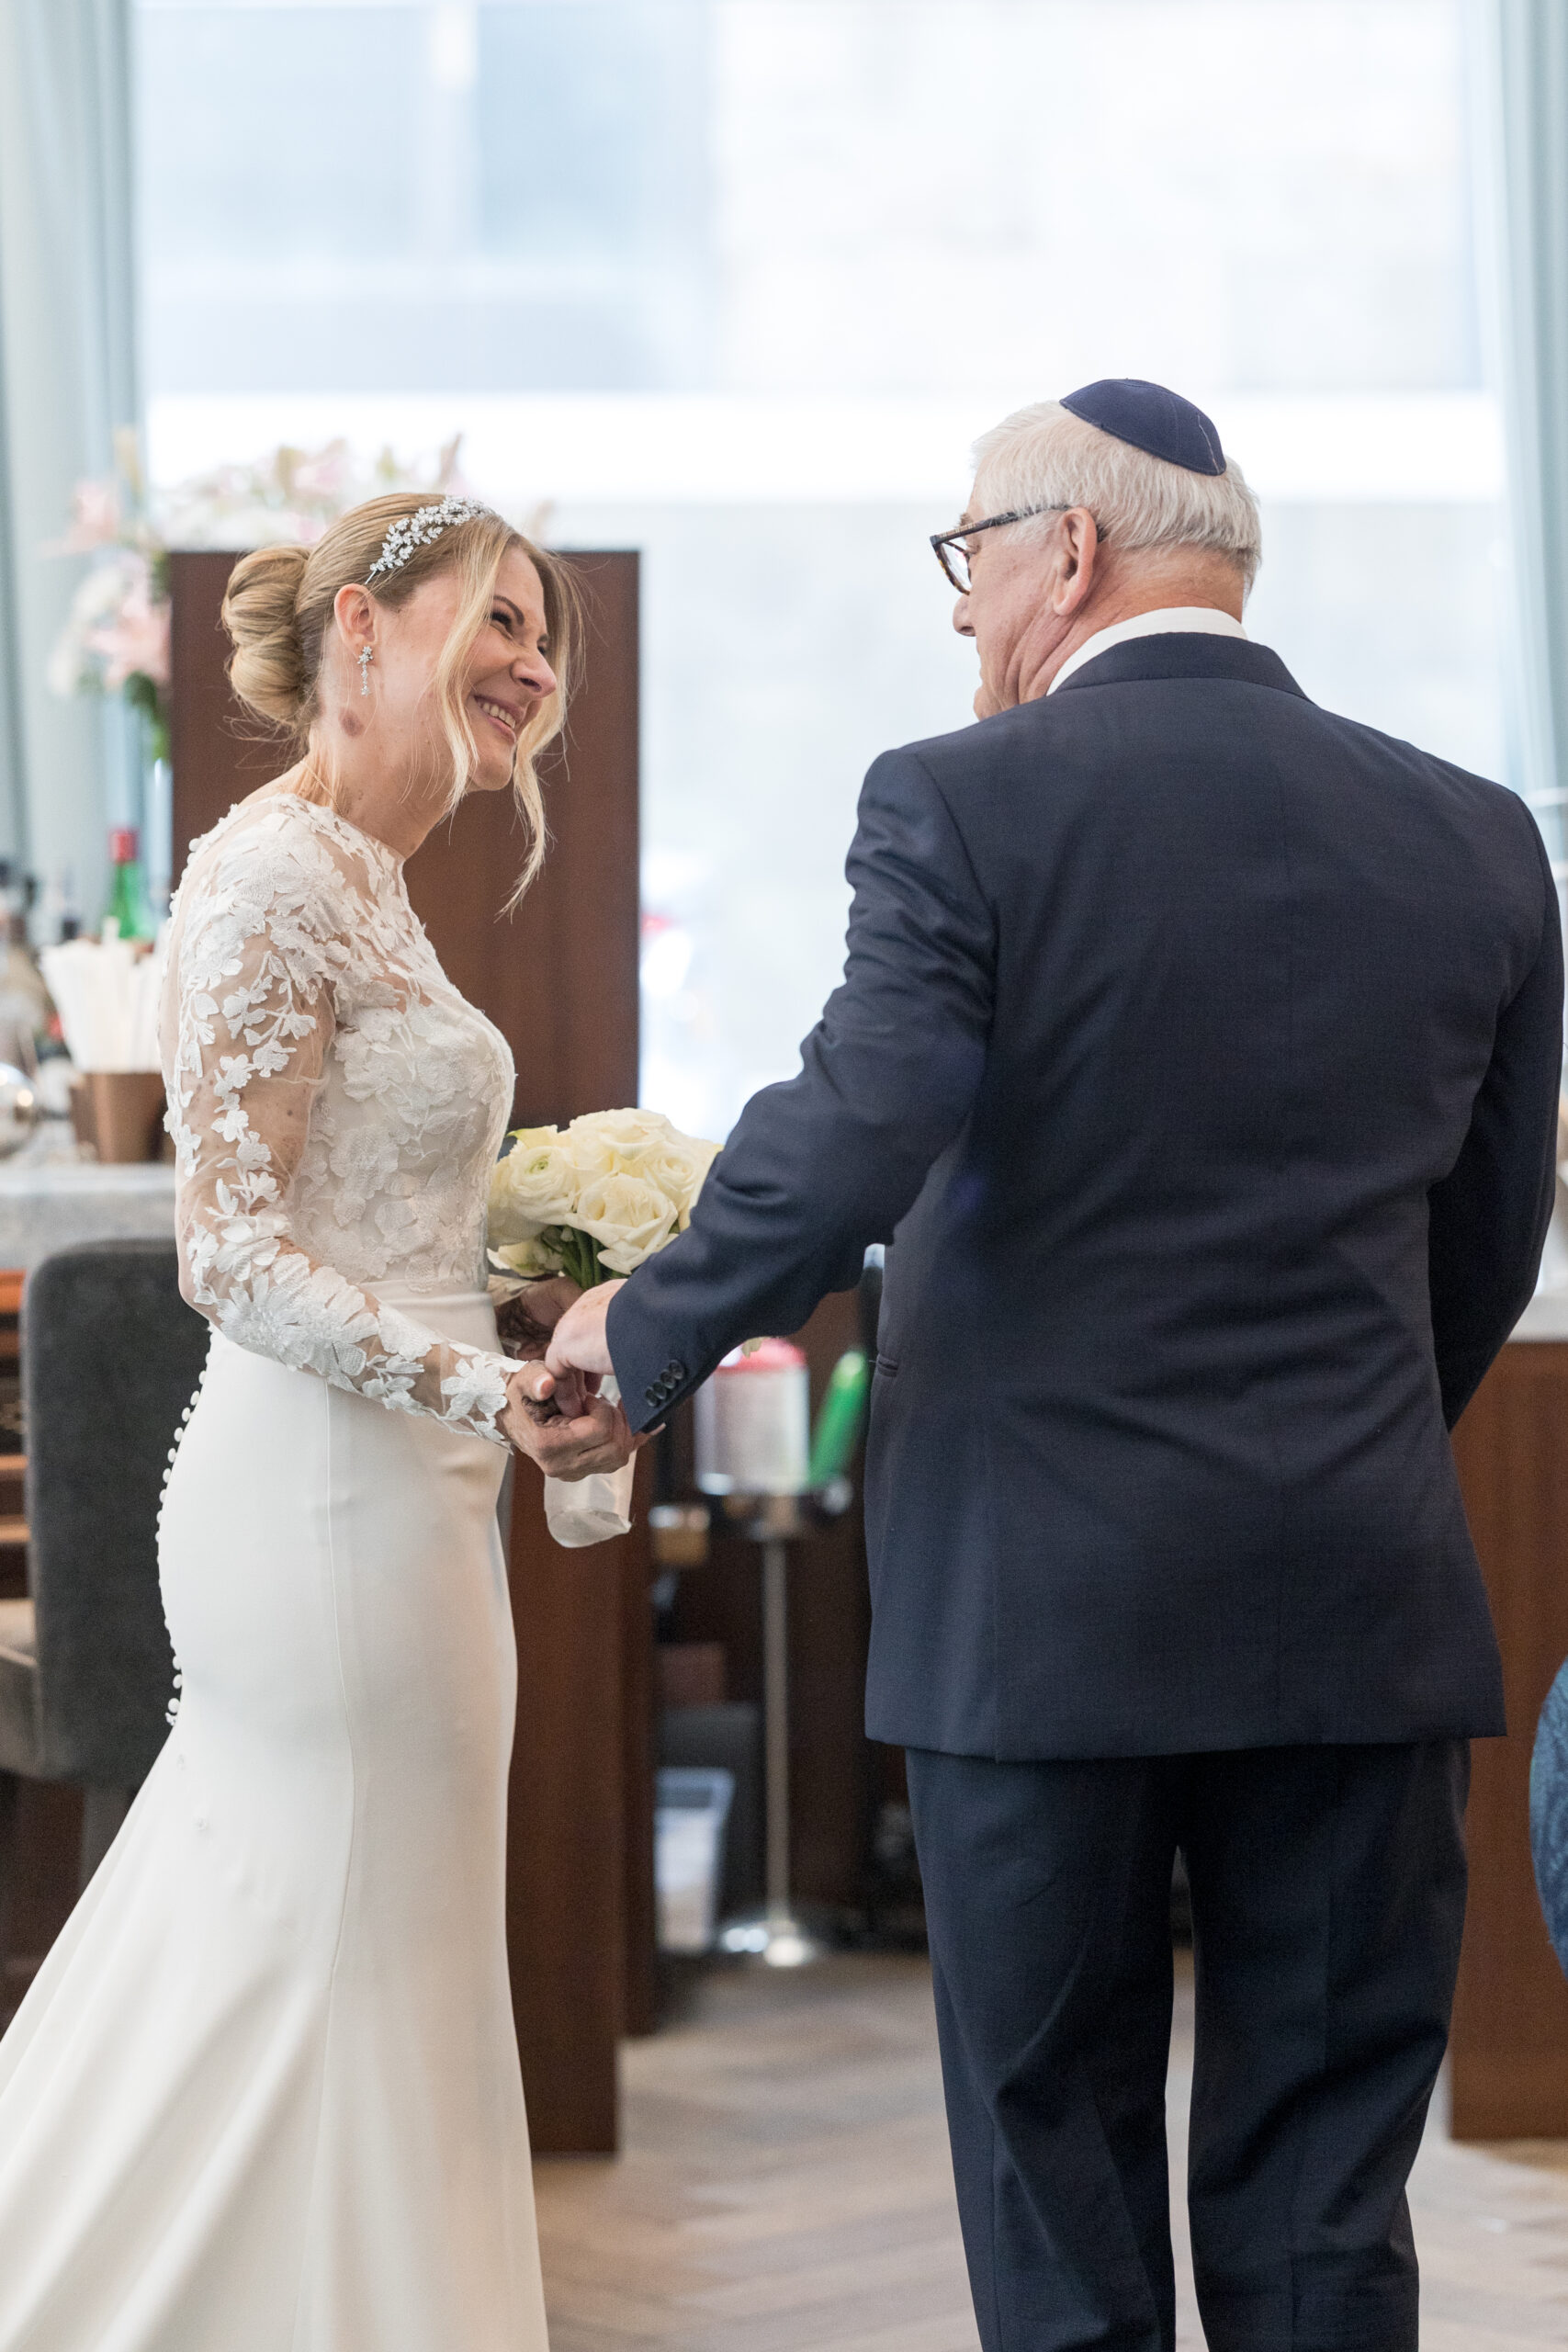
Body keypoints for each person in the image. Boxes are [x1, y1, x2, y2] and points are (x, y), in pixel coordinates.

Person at [548, 381, 1564, 2352]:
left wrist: (643, 1327)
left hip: (1039, 1617)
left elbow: (863, 1119)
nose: (957, 611)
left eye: (967, 556)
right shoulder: (1469, 831)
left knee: (1056, 2204)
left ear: (1067, 549)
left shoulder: (957, 801)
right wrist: (1335, 1450)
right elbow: (1482, 1239)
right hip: (1355, 1606)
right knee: (1323, 2220)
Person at [0, 493, 637, 2351]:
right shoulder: (270, 875)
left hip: (412, 1490)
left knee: (388, 1967)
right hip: (330, 1503)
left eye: (547, 635)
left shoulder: (365, 872)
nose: (529, 658)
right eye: (494, 619)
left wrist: (528, 1290)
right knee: (332, 1947)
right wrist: (480, 1381)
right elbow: (231, 1255)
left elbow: (377, 1206)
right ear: (362, 627)